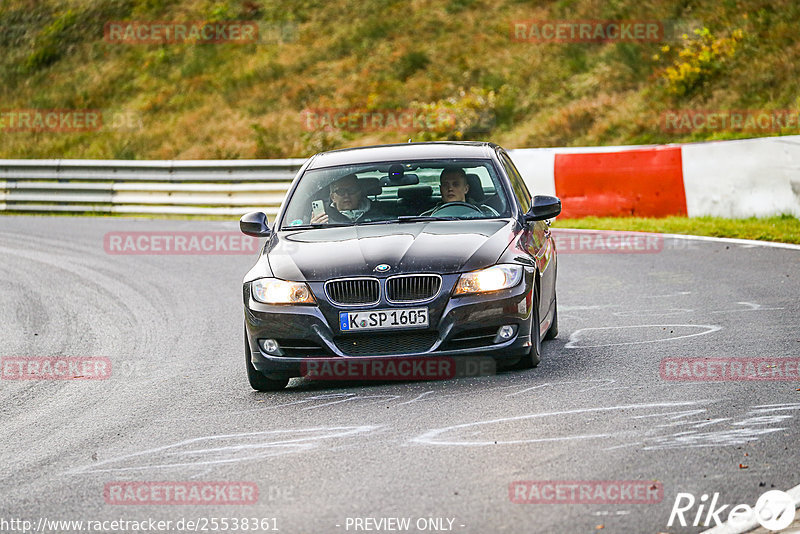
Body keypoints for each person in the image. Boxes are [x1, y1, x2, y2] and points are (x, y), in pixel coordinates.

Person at [422, 167, 498, 216]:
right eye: (446, 185)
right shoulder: (427, 217)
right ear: (440, 189)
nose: (450, 188)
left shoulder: (486, 214)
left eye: (455, 184)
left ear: (466, 189)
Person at [310, 173, 382, 224]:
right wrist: (314, 229)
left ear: (359, 193)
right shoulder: (323, 217)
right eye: (341, 191)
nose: (346, 195)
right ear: (333, 197)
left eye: (352, 190)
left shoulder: (380, 211)